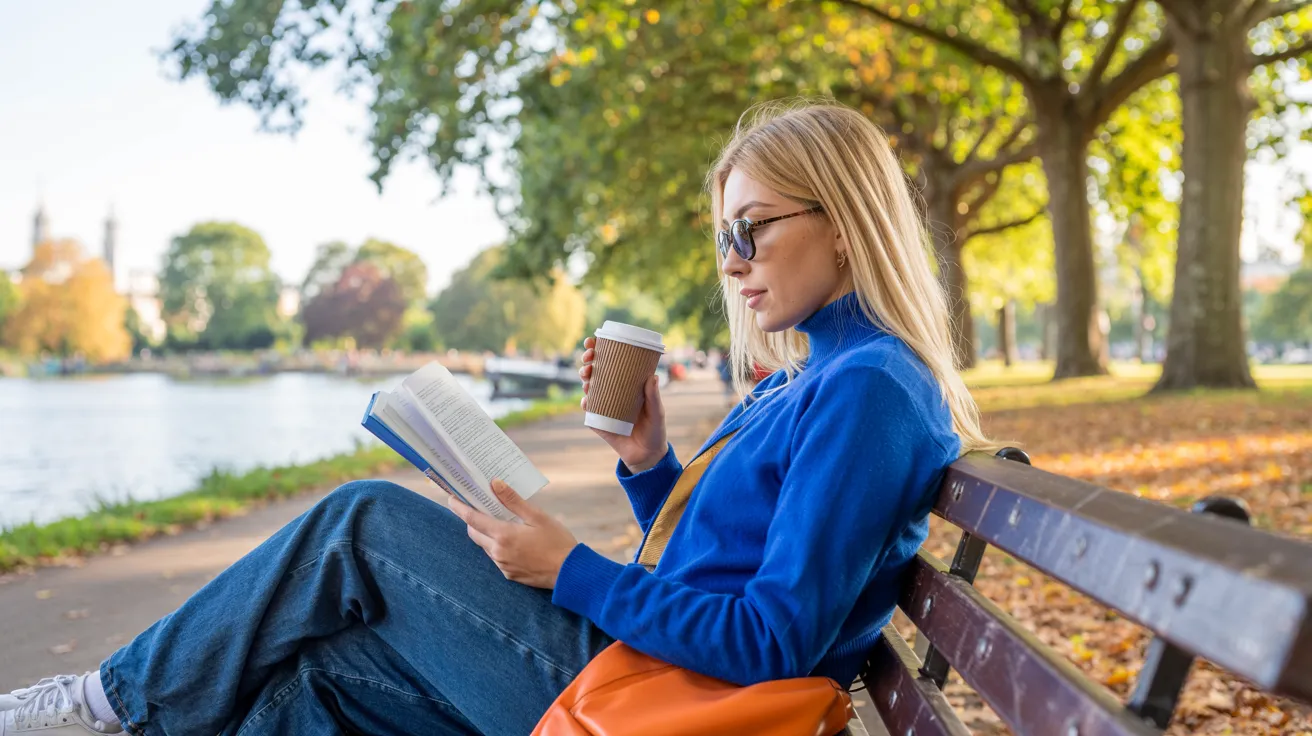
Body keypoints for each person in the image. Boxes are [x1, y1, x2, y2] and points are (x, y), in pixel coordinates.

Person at [2, 99, 997, 735]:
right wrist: (647, 459)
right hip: (649, 672)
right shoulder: (812, 376)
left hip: (662, 699)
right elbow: (722, 566)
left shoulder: (864, 386)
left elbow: (772, 636)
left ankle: (111, 704)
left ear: (846, 217)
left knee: (363, 524)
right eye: (723, 235)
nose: (731, 260)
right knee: (323, 680)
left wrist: (567, 568)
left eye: (752, 229)